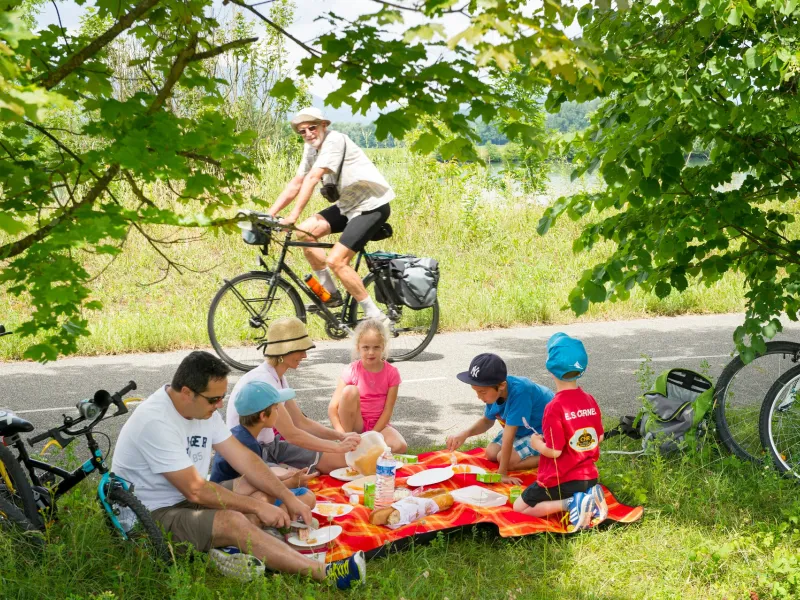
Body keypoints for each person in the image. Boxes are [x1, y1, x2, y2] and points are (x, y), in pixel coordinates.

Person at [111, 351, 366, 589]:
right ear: (187, 392)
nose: (220, 405)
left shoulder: (202, 411)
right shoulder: (156, 421)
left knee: (253, 483)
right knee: (235, 519)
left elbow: (247, 460)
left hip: (182, 500)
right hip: (148, 516)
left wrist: (289, 498)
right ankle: (327, 574)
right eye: (214, 399)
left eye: (223, 397)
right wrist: (256, 506)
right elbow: (196, 490)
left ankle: (228, 548)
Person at [267, 107, 395, 324]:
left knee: (337, 261)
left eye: (312, 128)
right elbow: (297, 181)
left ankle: (375, 315)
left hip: (371, 206)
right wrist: (270, 214)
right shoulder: (311, 148)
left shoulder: (334, 141)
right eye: (302, 131)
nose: (308, 134)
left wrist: (292, 216)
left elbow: (312, 178)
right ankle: (331, 295)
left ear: (324, 125)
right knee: (305, 232)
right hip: (347, 206)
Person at [226, 317, 361, 474]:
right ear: (283, 352)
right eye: (301, 350)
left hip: (271, 446)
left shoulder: (277, 376)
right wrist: (337, 446)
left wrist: (340, 436)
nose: (305, 356)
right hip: (249, 452)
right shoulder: (264, 381)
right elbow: (291, 434)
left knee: (342, 461)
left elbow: (301, 422)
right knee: (294, 481)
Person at [512, 333, 608, 532]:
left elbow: (554, 452)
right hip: (589, 477)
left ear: (551, 369)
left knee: (519, 508)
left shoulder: (554, 407)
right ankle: (588, 497)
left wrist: (536, 444)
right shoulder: (589, 399)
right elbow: (599, 437)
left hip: (560, 479)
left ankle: (572, 503)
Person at [446, 353, 554, 483]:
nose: (479, 397)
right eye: (476, 391)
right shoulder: (494, 392)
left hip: (545, 430)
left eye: (482, 392)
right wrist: (465, 434)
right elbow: (487, 421)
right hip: (522, 427)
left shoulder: (521, 392)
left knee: (506, 460)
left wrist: (502, 473)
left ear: (501, 385)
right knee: (491, 453)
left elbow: (508, 437)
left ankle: (555, 456)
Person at [210, 380, 316, 511]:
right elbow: (256, 484)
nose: (278, 413)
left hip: (229, 493)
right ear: (263, 416)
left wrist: (287, 479)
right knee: (305, 497)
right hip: (226, 502)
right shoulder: (248, 444)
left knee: (301, 493)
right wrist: (292, 483)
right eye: (276, 408)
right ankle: (278, 521)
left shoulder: (240, 434)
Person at [328, 318, 407, 453]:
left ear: (383, 347)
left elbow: (388, 410)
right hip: (355, 424)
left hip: (379, 426)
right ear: (358, 347)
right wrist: (342, 435)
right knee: (350, 391)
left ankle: (366, 449)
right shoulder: (351, 370)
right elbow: (332, 408)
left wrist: (372, 435)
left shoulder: (392, 373)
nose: (371, 352)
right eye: (366, 347)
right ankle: (349, 445)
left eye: (376, 347)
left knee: (400, 446)